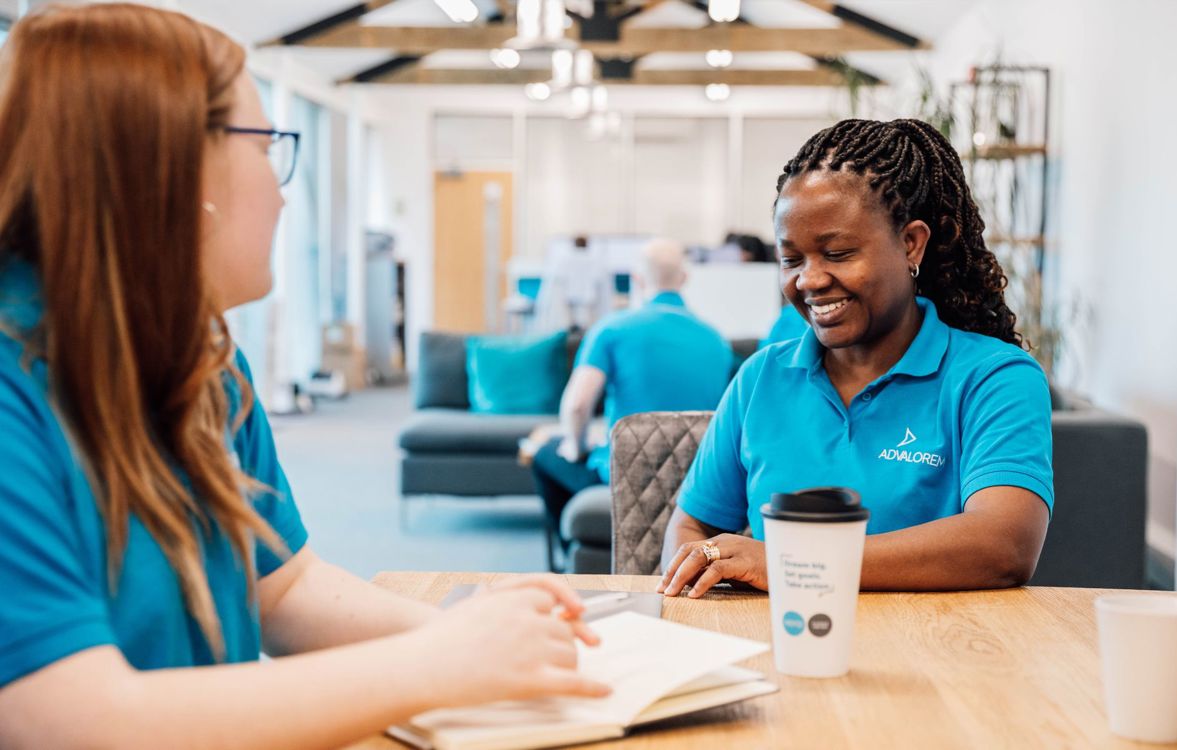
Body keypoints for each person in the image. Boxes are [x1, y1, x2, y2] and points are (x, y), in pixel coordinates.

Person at [0, 6, 609, 748]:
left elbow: (282, 589)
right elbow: (67, 722)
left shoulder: (206, 365)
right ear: (175, 173)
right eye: (268, 148)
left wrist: (473, 635)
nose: (285, 194)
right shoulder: (14, 392)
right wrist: (438, 661)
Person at [658, 119, 1053, 598]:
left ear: (911, 243)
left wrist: (796, 564)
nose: (809, 280)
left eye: (839, 252)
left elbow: (1004, 545)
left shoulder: (994, 378)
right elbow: (691, 529)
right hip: (786, 649)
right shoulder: (761, 377)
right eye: (791, 259)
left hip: (939, 656)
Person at [533, 239, 733, 566]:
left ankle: (570, 559)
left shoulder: (612, 329)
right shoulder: (716, 339)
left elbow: (576, 406)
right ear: (683, 279)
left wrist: (575, 443)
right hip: (698, 478)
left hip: (627, 473)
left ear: (637, 281)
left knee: (544, 454)